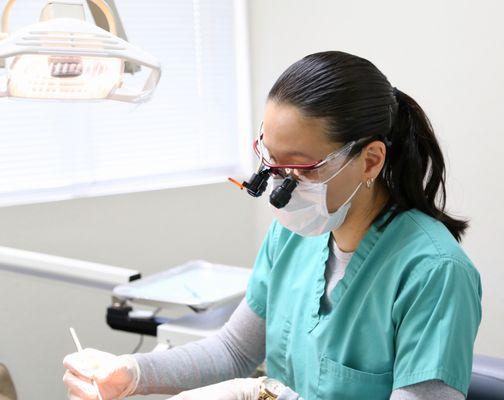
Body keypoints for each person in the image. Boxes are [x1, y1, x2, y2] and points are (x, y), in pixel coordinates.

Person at [63, 51, 482, 400]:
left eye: (300, 168)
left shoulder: (434, 273)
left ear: (370, 160)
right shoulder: (293, 236)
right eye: (270, 162)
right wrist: (132, 372)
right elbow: (232, 351)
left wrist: (268, 396)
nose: (280, 187)